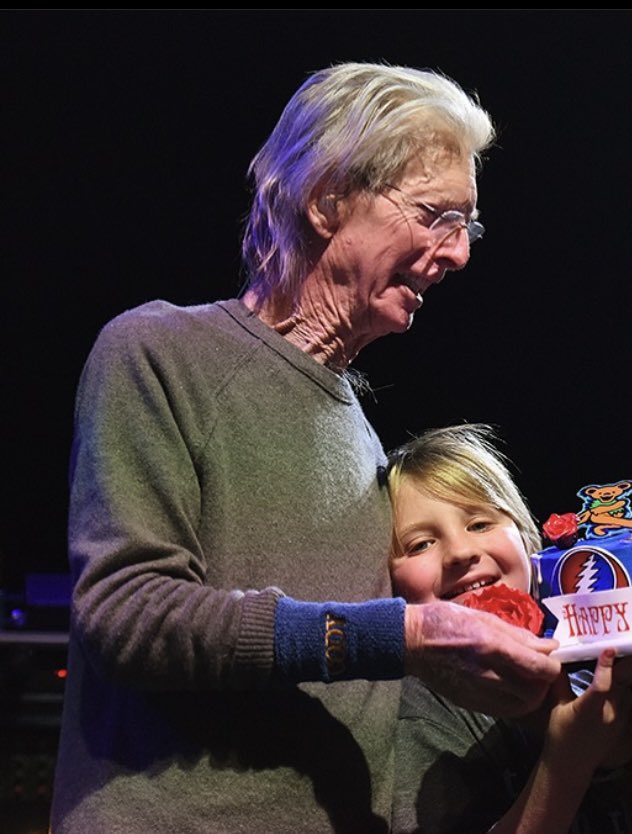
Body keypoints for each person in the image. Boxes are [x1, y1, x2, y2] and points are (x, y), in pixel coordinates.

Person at [50, 63, 561, 833]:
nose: (457, 254)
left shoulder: (360, 436)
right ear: (328, 202)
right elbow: (128, 613)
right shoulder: (157, 351)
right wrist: (409, 634)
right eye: (436, 216)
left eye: (467, 227)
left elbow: (365, 680)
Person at [384, 423, 632, 833]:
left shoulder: (586, 653)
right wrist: (568, 762)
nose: (461, 552)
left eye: (480, 524)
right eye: (420, 544)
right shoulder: (420, 718)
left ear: (526, 536)